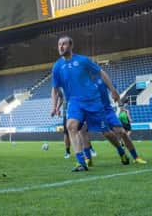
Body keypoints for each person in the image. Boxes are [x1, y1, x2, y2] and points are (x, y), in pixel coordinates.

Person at [50, 35, 123, 172]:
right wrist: (54, 106)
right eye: (59, 44)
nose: (61, 47)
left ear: (71, 46)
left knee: (106, 132)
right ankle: (81, 162)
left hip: (92, 101)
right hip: (74, 102)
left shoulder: (83, 60)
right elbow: (55, 89)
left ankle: (120, 150)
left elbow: (101, 73)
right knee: (71, 126)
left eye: (64, 44)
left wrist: (113, 91)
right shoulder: (57, 66)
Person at [93, 74, 146, 164]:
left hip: (108, 110)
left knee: (122, 132)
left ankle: (136, 157)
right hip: (97, 112)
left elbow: (114, 91)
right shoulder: (83, 81)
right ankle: (121, 152)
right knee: (107, 134)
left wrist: (120, 104)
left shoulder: (103, 77)